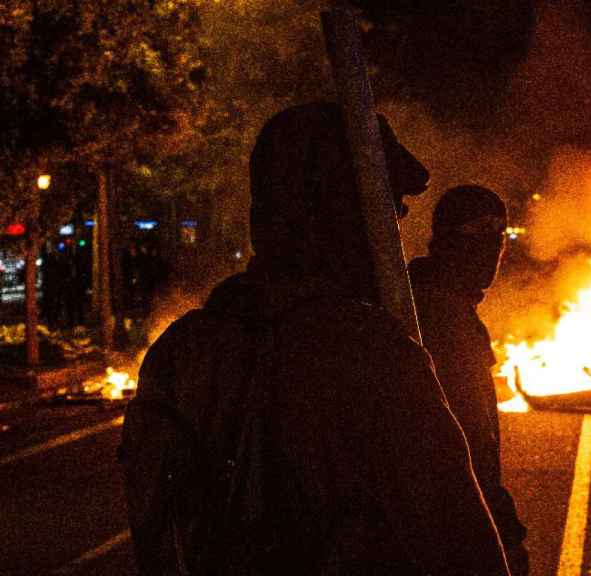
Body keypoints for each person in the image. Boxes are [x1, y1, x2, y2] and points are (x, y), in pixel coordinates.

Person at [120, 102, 511, 575]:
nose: (393, 236)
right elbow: (463, 548)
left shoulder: (180, 352)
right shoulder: (373, 358)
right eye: (388, 214)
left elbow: (156, 539)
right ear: (340, 216)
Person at [408, 185, 529, 576]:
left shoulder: (431, 302)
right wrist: (498, 529)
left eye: (498, 240)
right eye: (479, 238)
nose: (493, 253)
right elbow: (467, 444)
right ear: (449, 242)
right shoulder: (442, 319)